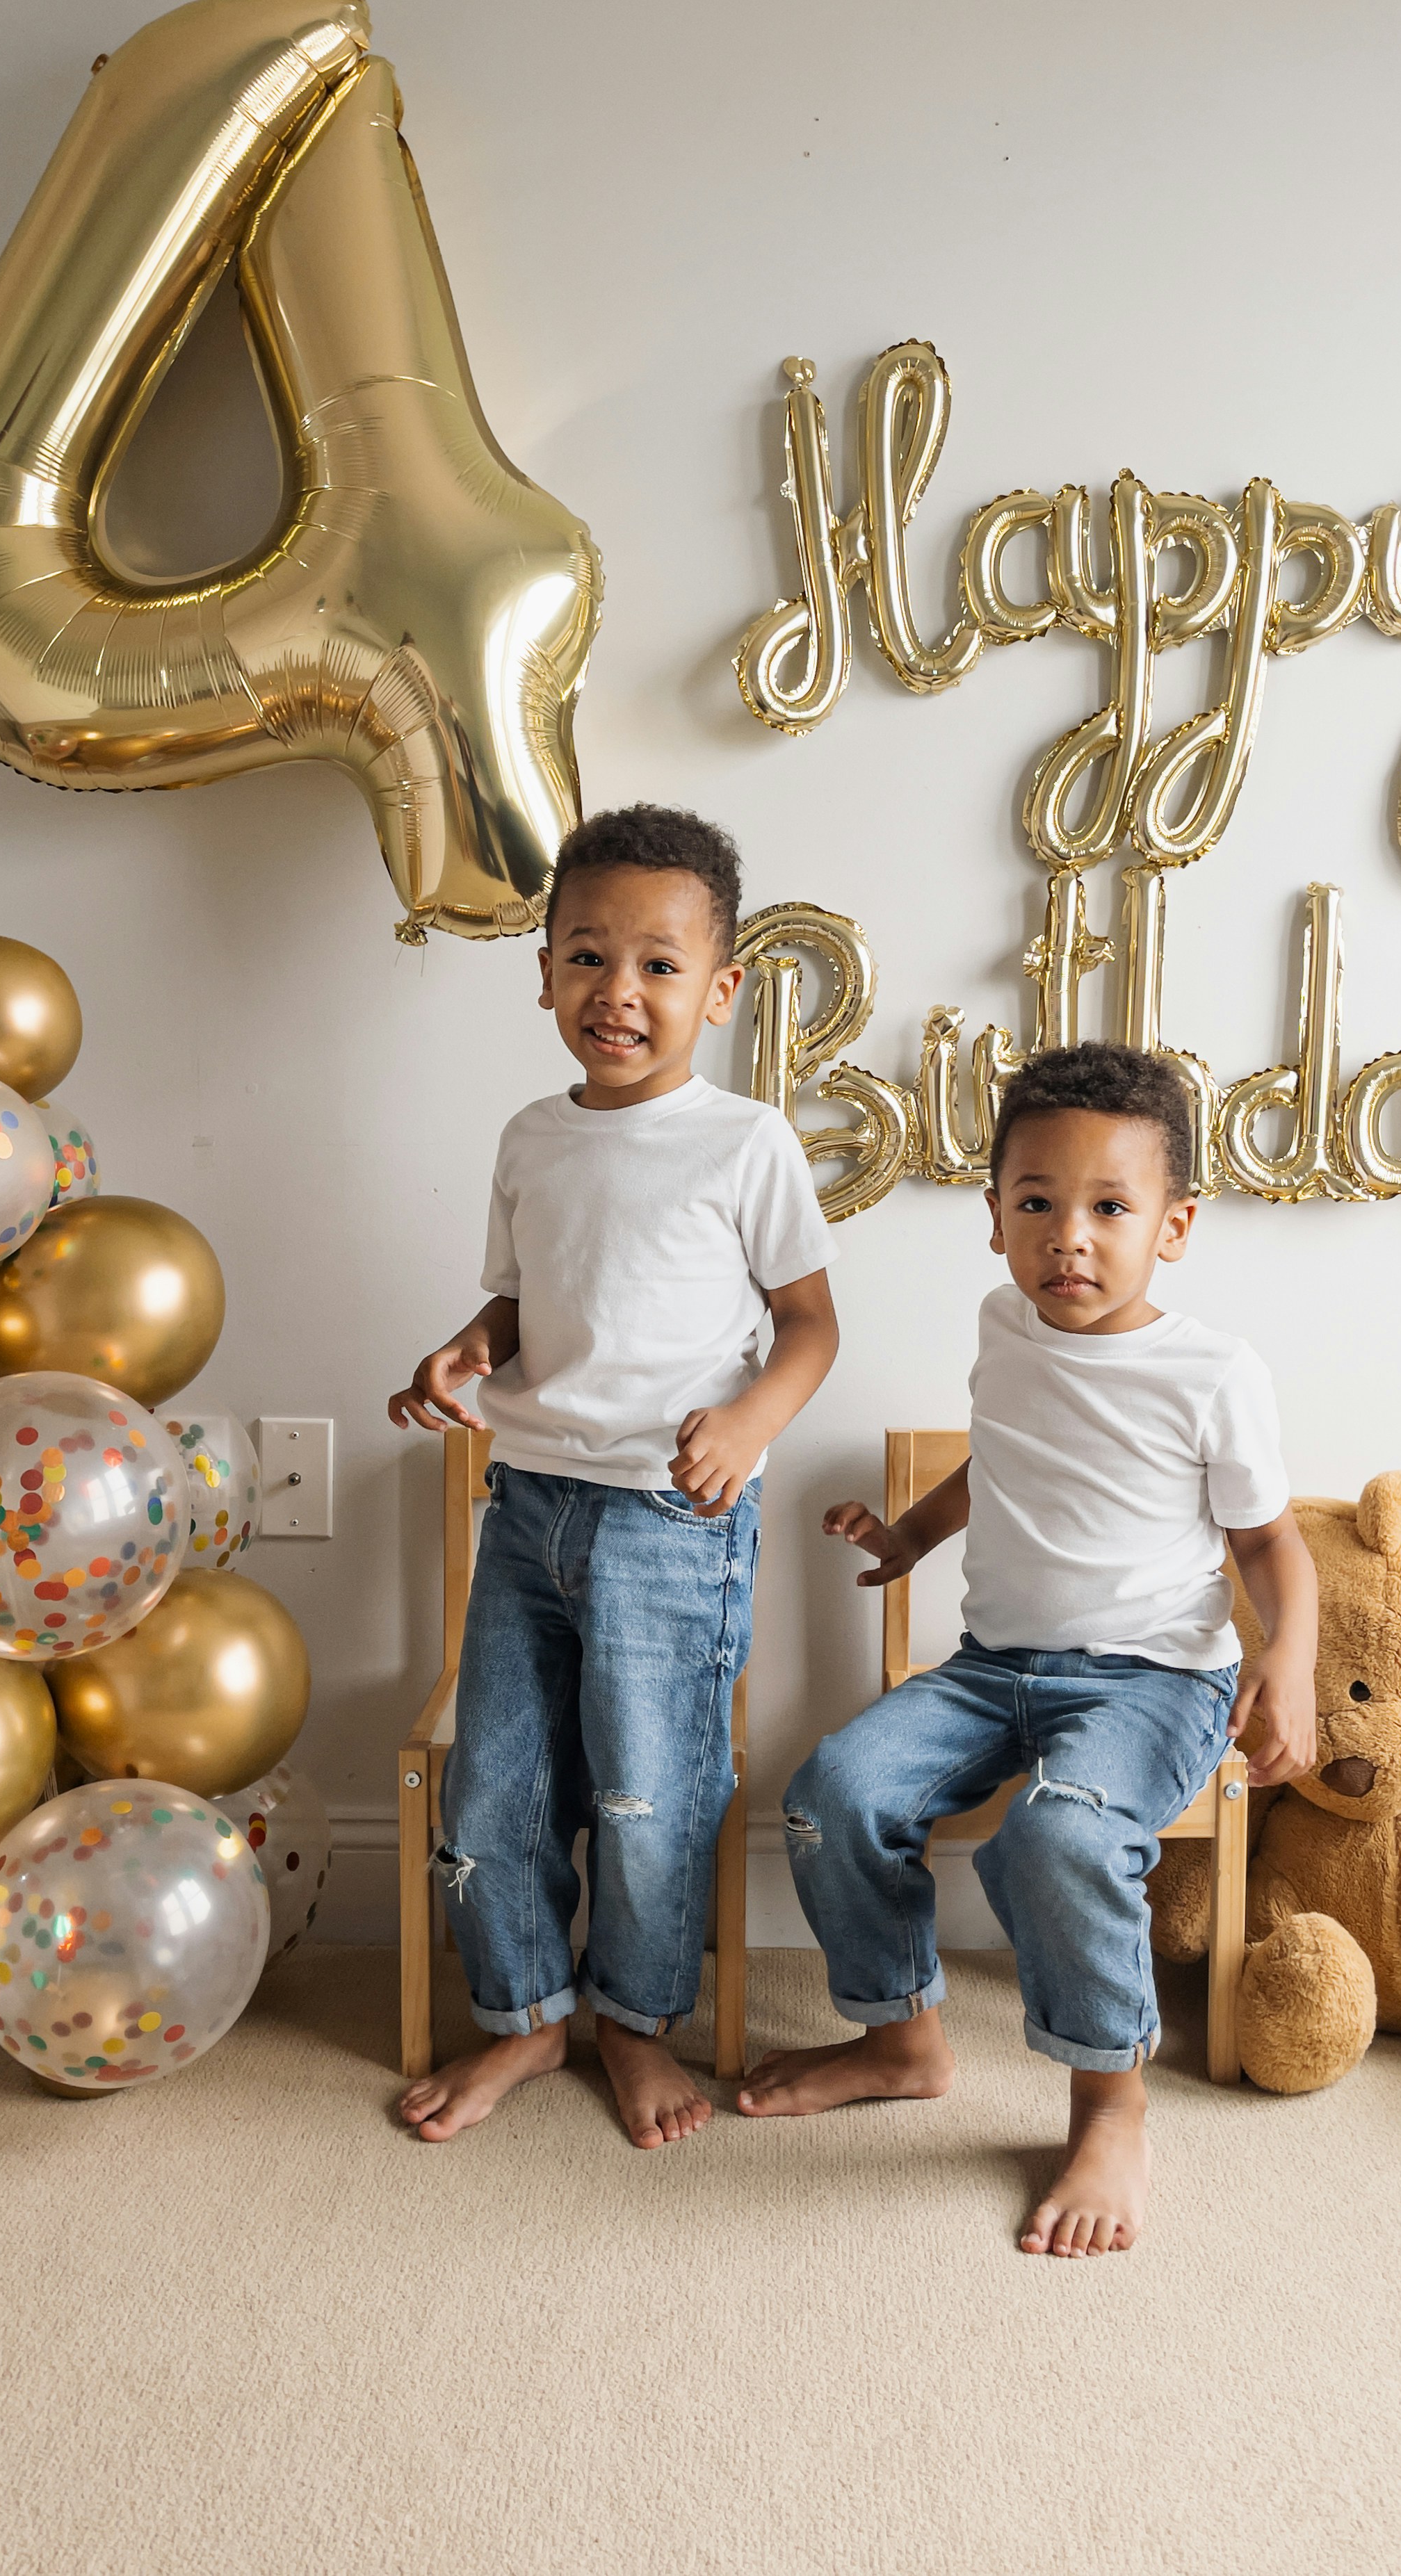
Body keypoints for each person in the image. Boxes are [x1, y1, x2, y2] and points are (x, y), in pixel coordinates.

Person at [738, 1043, 1318, 2257]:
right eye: (1039, 1203)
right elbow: (995, 1460)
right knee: (834, 1793)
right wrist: (908, 1536)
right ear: (996, 1218)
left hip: (1154, 1681)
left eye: (1111, 1208)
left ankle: (1110, 2108)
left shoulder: (1212, 1373)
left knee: (1060, 1834)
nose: (1070, 1239)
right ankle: (901, 2042)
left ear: (1174, 1226)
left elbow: (1270, 1543)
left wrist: (1290, 1659)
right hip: (996, 1666)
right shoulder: (1005, 1324)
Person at [389, 806, 839, 2150]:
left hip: (670, 1526)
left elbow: (811, 1328)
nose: (619, 992)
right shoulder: (532, 1138)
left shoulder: (745, 1143)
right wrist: (468, 1351)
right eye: (587, 957)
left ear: (722, 989)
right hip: (527, 1506)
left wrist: (748, 1425)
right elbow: (522, 1305)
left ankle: (635, 2023)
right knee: (495, 1786)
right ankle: (528, 2015)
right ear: (544, 975)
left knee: (649, 1795)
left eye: (658, 964)